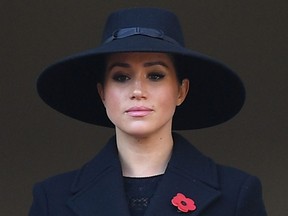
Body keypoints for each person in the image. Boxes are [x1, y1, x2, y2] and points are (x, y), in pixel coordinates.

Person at [29, 7, 267, 216]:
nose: (137, 91)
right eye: (121, 77)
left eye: (155, 75)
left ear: (181, 91)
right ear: (102, 93)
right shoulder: (52, 198)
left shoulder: (236, 194)